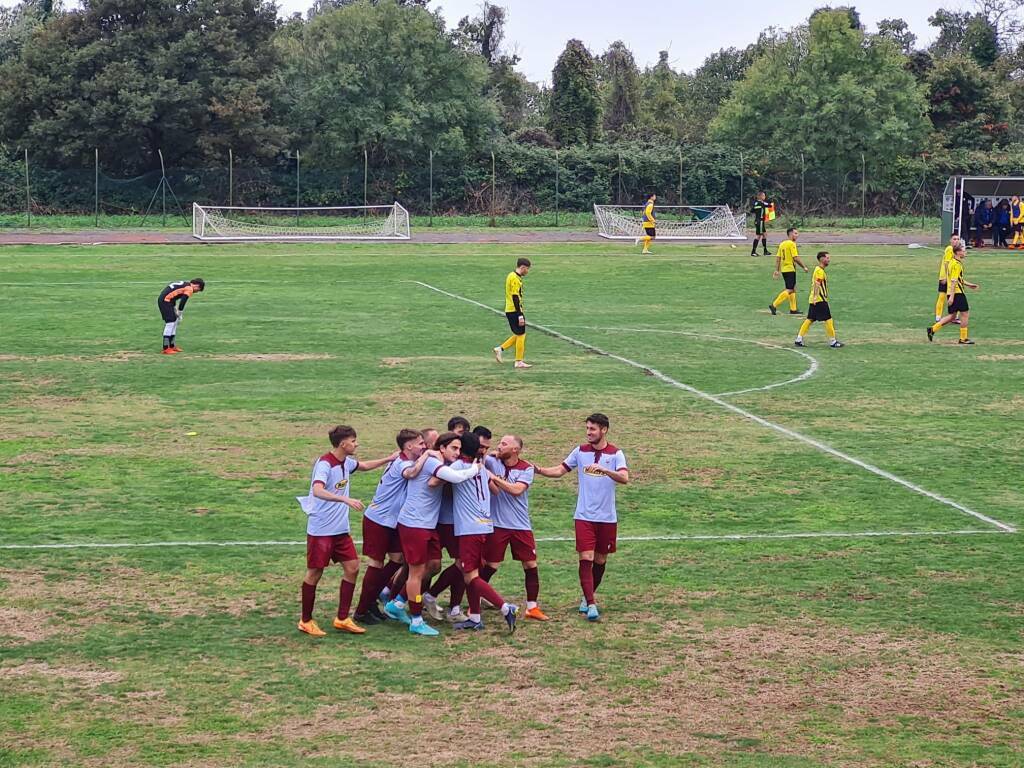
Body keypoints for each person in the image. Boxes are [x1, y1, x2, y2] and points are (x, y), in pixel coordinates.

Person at [296, 426, 397, 637]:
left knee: (352, 568)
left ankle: (342, 618)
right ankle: (305, 620)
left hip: (340, 530)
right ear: (343, 443)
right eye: (353, 440)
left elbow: (364, 466)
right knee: (315, 572)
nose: (356, 444)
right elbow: (317, 490)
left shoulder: (346, 463)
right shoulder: (325, 464)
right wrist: (344, 498)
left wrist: (388, 458)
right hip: (322, 529)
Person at [534, 413, 629, 622]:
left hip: (607, 518)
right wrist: (539, 470)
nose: (588, 433)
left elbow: (624, 477)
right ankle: (591, 603)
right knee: (586, 557)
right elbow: (560, 470)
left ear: (604, 430)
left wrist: (605, 470)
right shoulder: (580, 451)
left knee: (600, 560)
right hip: (584, 516)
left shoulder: (615, 454)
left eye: (592, 429)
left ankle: (588, 597)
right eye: (587, 429)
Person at [386, 432, 481, 636]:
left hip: (427, 525)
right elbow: (455, 477)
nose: (457, 452)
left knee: (433, 565)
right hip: (414, 524)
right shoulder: (431, 461)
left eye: (458, 448)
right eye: (453, 448)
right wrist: (475, 467)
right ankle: (416, 620)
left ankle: (398, 603)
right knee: (416, 573)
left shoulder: (436, 461)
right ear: (442, 449)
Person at [437, 432, 519, 633]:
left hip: (469, 529)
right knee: (468, 576)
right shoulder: (481, 469)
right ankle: (475, 617)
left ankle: (505, 607)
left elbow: (437, 480)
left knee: (471, 576)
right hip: (484, 526)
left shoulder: (458, 467)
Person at [353, 428, 431, 625]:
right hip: (378, 520)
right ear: (409, 446)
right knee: (376, 564)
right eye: (421, 444)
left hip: (393, 521)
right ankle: (362, 610)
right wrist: (428, 455)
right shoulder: (403, 463)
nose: (424, 447)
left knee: (398, 560)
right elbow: (411, 474)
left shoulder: (405, 459)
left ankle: (375, 596)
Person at [483, 434, 548, 621]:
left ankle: (532, 607)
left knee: (530, 564)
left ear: (515, 450)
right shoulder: (493, 462)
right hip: (498, 525)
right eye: (500, 443)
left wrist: (493, 477)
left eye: (504, 444)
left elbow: (516, 490)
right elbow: (477, 457)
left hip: (520, 525)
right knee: (491, 565)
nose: (499, 446)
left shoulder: (526, 468)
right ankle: (477, 595)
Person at [928, 243, 979, 344]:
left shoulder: (951, 262)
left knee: (952, 316)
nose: (965, 252)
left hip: (951, 292)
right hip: (957, 293)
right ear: (958, 252)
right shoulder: (957, 265)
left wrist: (969, 285)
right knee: (965, 314)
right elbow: (954, 281)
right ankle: (963, 338)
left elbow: (957, 279)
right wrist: (952, 297)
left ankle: (932, 329)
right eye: (964, 251)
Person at [794, 252, 843, 348]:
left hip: (814, 299)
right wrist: (816, 297)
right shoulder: (819, 271)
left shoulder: (818, 270)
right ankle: (833, 341)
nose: (829, 260)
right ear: (822, 259)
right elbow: (817, 284)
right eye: (827, 258)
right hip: (819, 300)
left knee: (810, 319)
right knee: (828, 320)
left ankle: (799, 339)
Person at [493, 258, 532, 369]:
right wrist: (519, 314)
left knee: (518, 334)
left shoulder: (511, 275)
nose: (527, 272)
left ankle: (500, 349)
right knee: (521, 334)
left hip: (510, 310)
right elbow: (515, 297)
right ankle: (518, 361)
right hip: (514, 310)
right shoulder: (515, 278)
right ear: (522, 267)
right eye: (527, 269)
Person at [157, 278, 204, 354]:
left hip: (167, 301)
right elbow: (183, 302)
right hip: (165, 301)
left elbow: (172, 296)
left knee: (174, 321)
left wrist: (175, 310)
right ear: (197, 286)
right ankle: (166, 348)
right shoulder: (189, 289)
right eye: (198, 290)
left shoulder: (185, 284)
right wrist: (180, 313)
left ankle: (172, 346)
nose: (196, 292)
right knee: (170, 323)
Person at [768, 227, 807, 315]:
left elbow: (778, 258)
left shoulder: (782, 244)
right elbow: (795, 258)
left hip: (784, 269)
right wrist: (804, 267)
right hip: (790, 269)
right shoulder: (791, 244)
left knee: (792, 288)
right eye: (795, 233)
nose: (797, 235)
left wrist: (777, 270)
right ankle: (774, 305)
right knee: (789, 289)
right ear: (790, 234)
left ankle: (793, 309)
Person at [935, 234, 960, 322]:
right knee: (942, 296)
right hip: (946, 277)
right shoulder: (949, 249)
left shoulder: (957, 250)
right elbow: (946, 264)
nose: (956, 241)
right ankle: (938, 317)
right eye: (954, 239)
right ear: (950, 240)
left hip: (952, 277)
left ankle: (954, 316)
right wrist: (945, 277)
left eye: (958, 239)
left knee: (954, 296)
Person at [750, 192, 771, 257]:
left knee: (764, 235)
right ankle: (753, 252)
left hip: (757, 220)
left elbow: (752, 210)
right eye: (764, 196)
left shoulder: (755, 203)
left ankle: (765, 251)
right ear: (761, 197)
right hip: (760, 221)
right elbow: (770, 205)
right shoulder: (762, 203)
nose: (765, 197)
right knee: (758, 236)